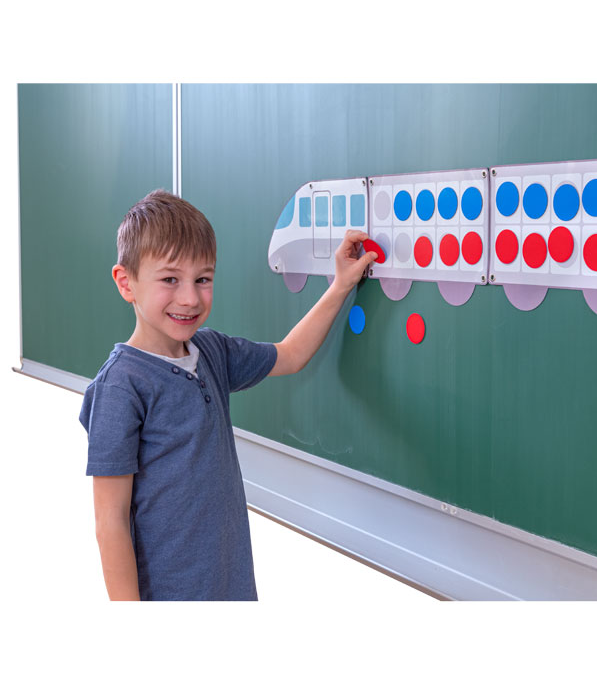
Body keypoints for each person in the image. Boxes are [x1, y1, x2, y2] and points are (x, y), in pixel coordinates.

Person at [79, 189, 376, 601]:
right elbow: (109, 522)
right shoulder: (121, 386)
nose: (190, 298)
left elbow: (290, 354)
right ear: (126, 283)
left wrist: (341, 284)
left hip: (230, 589)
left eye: (203, 279)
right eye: (170, 279)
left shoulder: (213, 352)